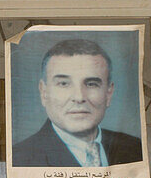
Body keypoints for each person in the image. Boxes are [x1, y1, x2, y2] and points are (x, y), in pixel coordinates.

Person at [12, 38, 143, 168]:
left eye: (91, 84)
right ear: (44, 92)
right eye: (64, 84)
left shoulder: (136, 149)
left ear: (109, 93)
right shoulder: (20, 159)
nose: (79, 97)